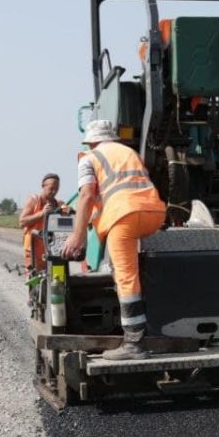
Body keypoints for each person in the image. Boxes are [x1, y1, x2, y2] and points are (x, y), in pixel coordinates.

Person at [61, 120, 167, 361]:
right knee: (135, 272)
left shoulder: (89, 158)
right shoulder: (129, 152)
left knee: (126, 278)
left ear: (91, 141)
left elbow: (87, 195)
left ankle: (134, 345)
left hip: (125, 216)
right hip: (154, 213)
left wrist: (78, 236)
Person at [19, 173, 66, 274]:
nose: (54, 192)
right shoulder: (33, 200)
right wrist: (42, 214)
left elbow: (69, 215)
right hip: (34, 249)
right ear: (43, 186)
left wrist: (67, 212)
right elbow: (22, 222)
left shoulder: (59, 204)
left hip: (54, 249)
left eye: (57, 189)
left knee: (58, 277)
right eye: (51, 188)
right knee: (36, 280)